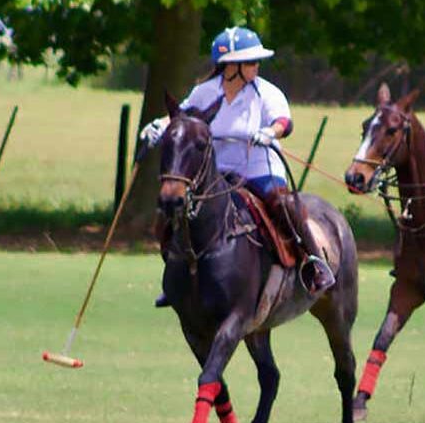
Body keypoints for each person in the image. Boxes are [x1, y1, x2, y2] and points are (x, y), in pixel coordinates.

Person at [139, 26, 336, 296]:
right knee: (171, 215)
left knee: (285, 205)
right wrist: (158, 126)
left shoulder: (266, 92)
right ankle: (176, 276)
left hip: (258, 169)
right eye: (252, 61)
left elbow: (283, 121)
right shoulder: (204, 92)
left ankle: (314, 264)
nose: (257, 66)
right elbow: (181, 118)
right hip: (215, 172)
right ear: (232, 66)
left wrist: (270, 132)